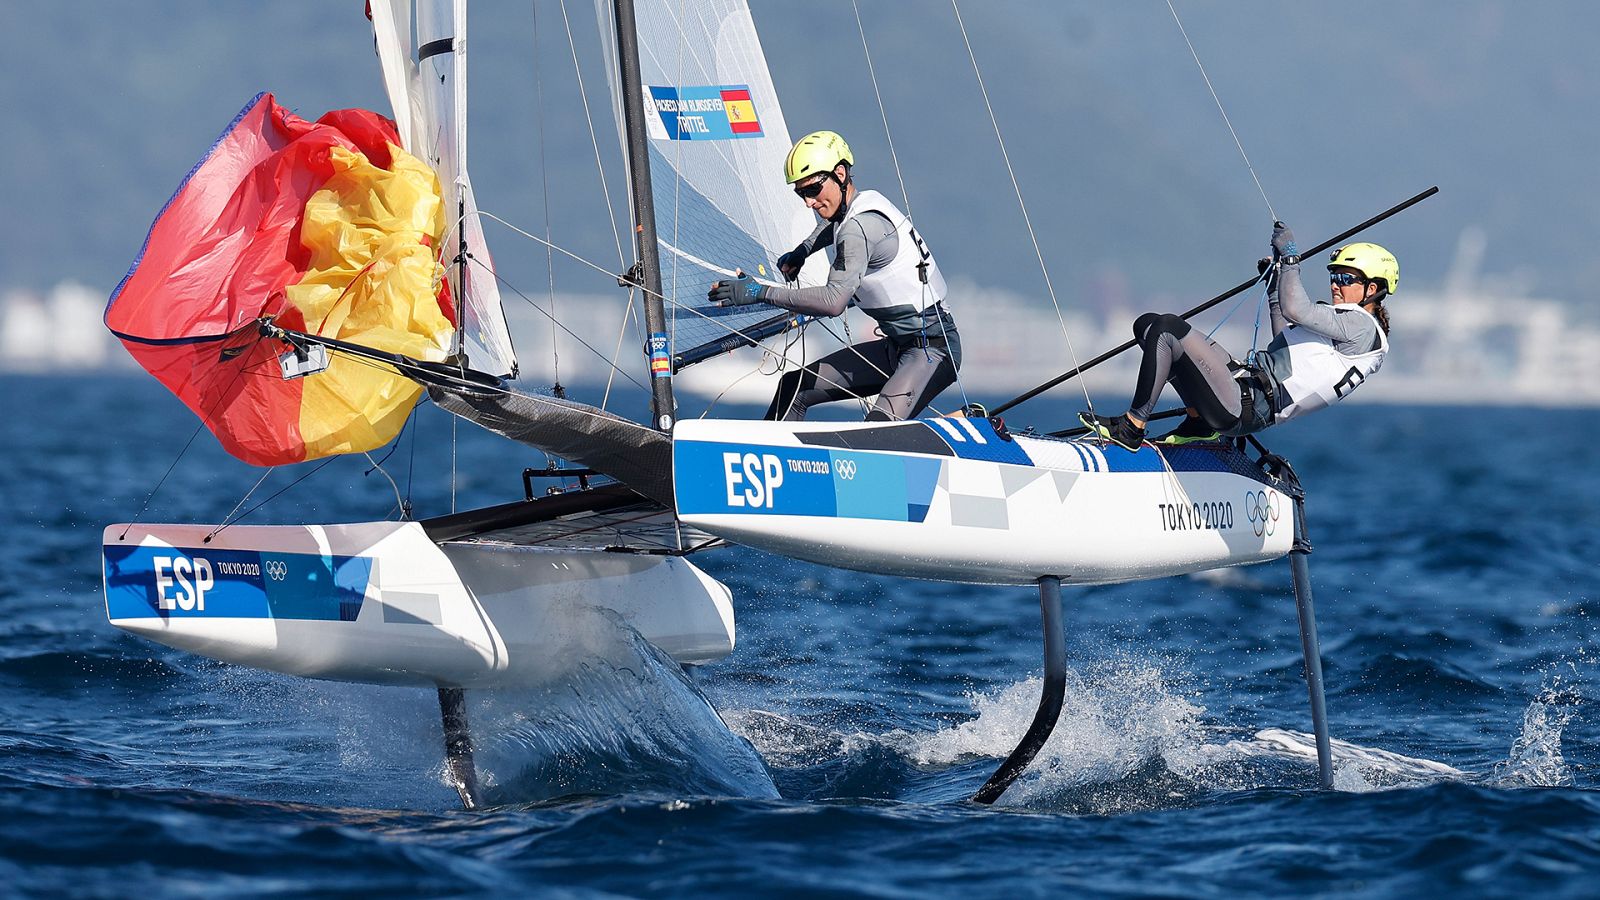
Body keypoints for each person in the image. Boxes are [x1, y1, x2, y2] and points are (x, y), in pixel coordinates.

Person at [708, 130, 961, 421]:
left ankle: (963, 419)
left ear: (840, 174)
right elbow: (835, 224)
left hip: (932, 351)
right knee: (795, 386)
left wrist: (759, 292)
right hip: (896, 347)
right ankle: (768, 450)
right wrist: (803, 250)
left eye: (813, 190)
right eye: (801, 193)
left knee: (874, 434)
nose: (808, 202)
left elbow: (833, 302)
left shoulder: (859, 229)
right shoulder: (861, 205)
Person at [1079, 223, 1395, 450]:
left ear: (1372, 289)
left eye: (1346, 278)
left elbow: (1297, 309)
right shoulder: (1352, 330)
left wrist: (1290, 258)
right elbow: (1285, 343)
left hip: (1246, 405)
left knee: (1167, 330)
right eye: (1334, 276)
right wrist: (1274, 292)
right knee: (1148, 325)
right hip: (1245, 386)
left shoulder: (1362, 327)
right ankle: (1198, 423)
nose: (1336, 284)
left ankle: (1132, 427)